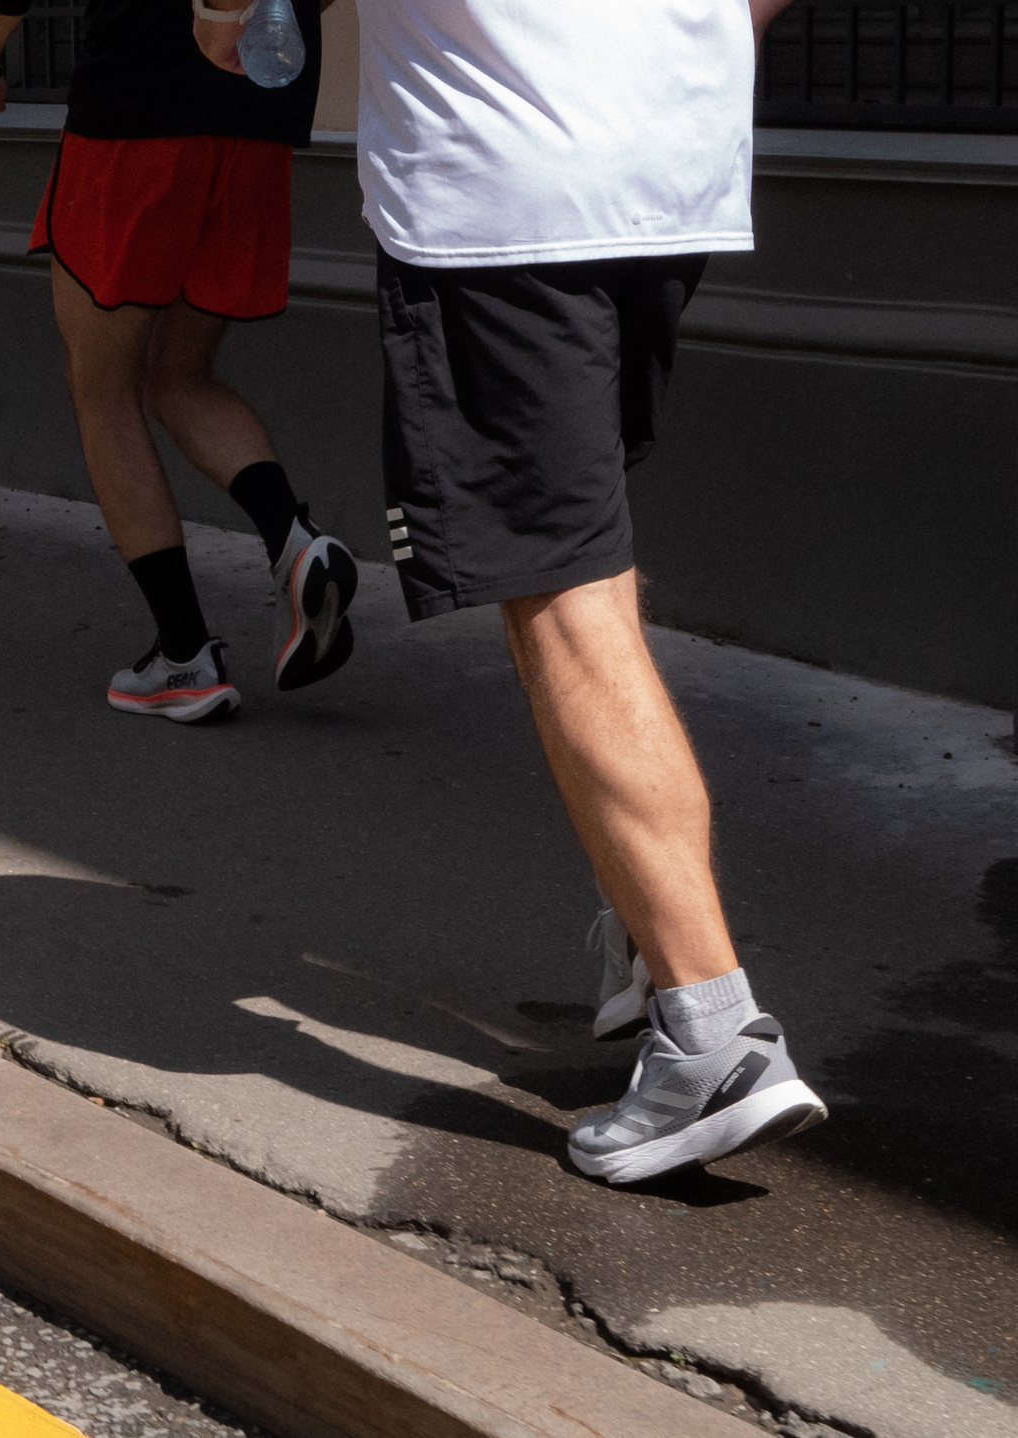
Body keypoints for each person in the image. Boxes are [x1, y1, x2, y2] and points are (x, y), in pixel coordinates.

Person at [196, 0, 814, 1182]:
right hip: (668, 167)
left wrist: (224, 20)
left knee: (566, 608)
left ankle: (714, 1032)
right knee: (589, 573)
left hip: (507, 196)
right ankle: (647, 938)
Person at [0, 0, 360, 724]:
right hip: (258, 122)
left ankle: (184, 656)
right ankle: (296, 543)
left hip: (135, 115)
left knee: (103, 388)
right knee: (179, 377)